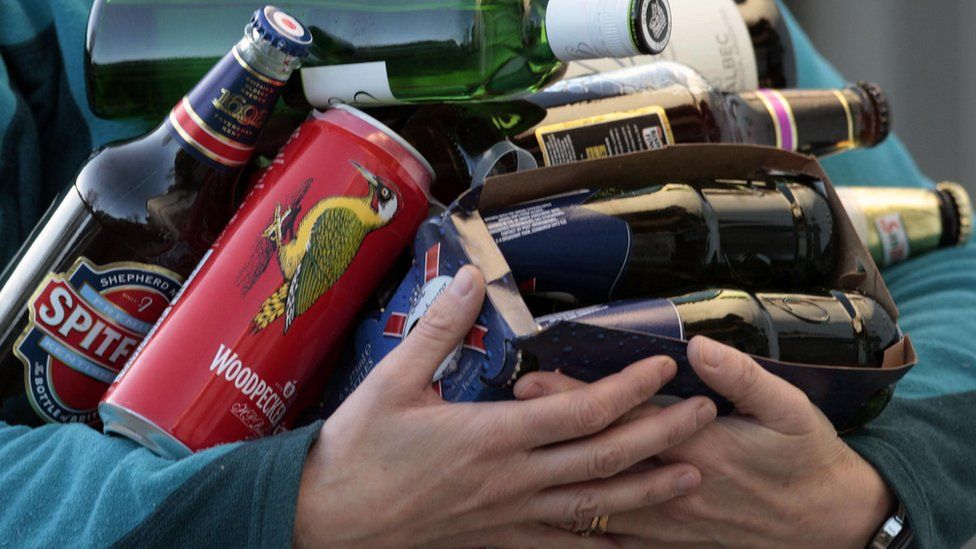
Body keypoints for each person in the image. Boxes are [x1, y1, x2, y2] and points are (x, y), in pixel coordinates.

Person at [0, 2, 974, 548]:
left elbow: (951, 279)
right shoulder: (51, 31)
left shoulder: (657, 18)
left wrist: (866, 495)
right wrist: (297, 504)